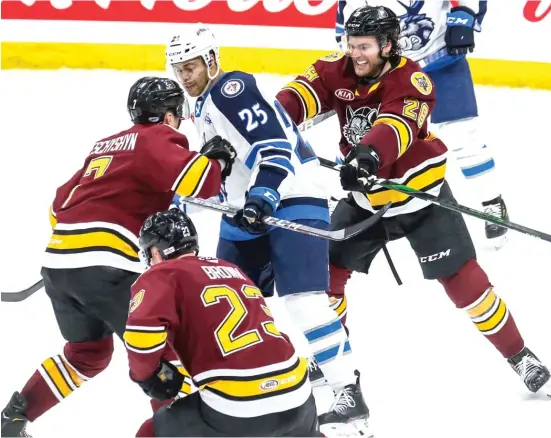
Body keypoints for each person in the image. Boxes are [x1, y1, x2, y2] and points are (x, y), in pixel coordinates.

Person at [276, 5, 551, 405]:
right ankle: (331, 355)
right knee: (325, 275)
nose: (356, 54)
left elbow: (396, 128)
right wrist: (266, 124)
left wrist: (366, 157)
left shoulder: (413, 80)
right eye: (351, 45)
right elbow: (298, 96)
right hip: (365, 199)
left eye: (365, 46)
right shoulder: (336, 70)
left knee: (466, 283)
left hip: (418, 198)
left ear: (388, 46)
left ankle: (520, 356)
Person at [166, 24, 371, 436]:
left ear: (210, 61)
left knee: (303, 299)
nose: (184, 76)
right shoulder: (202, 105)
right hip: (246, 211)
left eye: (190, 66)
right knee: (219, 300)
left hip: (291, 196)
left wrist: (264, 196)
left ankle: (348, 394)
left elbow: (274, 147)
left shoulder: (232, 90)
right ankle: (235, 387)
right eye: (178, 69)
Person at [1, 76, 236, 437]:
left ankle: (12, 420)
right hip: (107, 265)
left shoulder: (104, 145)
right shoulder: (158, 137)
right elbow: (198, 182)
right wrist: (216, 158)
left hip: (59, 262)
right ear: (169, 115)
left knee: (86, 354)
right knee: (165, 352)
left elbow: (57, 207)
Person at [126, 209, 319, 437]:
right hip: (298, 393)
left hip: (237, 404)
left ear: (157, 251)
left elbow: (141, 334)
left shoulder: (162, 274)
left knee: (150, 433)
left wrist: (146, 375)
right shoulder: (232, 269)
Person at [335, 0, 509, 247]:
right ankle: (353, 203)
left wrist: (465, 14)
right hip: (392, 73)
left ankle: (492, 203)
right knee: (366, 136)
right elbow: (348, 35)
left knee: (462, 136)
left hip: (441, 62)